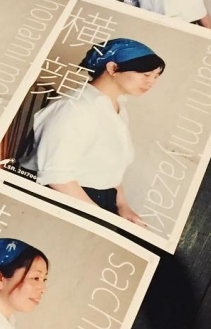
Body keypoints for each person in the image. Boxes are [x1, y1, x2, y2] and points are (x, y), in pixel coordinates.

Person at [26, 38, 165, 223]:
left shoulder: (117, 107)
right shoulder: (74, 107)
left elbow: (111, 169)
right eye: (146, 74)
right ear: (112, 68)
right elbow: (57, 177)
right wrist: (103, 219)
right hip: (63, 199)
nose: (151, 82)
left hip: (99, 200)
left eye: (156, 76)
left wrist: (123, 206)